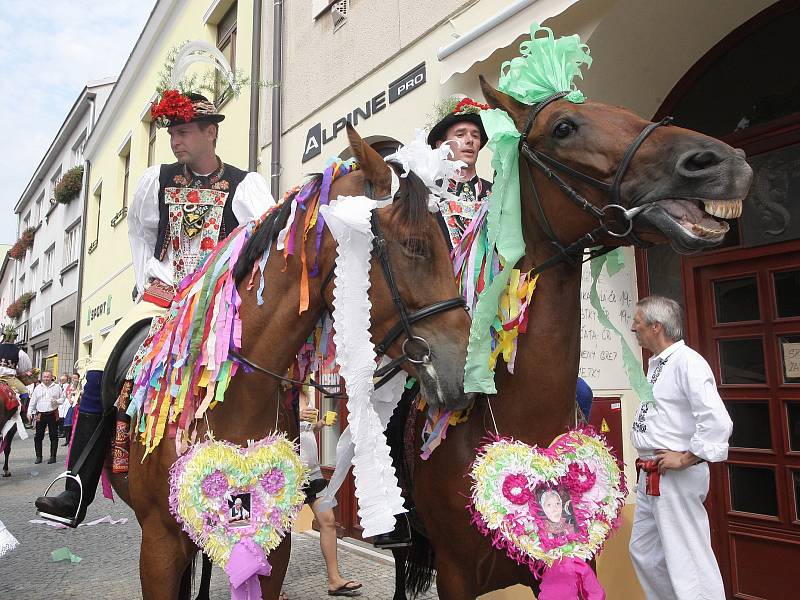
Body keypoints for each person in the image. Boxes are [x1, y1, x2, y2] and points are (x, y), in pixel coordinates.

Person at [35, 90, 273, 527]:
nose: (175, 141)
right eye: (172, 133)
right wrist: (151, 277)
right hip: (164, 294)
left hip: (219, 301)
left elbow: (268, 242)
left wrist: (230, 282)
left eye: (182, 132)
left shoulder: (245, 185)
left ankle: (295, 464)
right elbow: (140, 235)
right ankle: (78, 488)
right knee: (100, 367)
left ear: (211, 132)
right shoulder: (155, 180)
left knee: (270, 353)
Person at [628, 295, 732, 600]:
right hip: (652, 472)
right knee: (644, 551)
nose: (633, 328)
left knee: (687, 554)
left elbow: (717, 421)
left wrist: (688, 457)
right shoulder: (660, 364)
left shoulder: (688, 362)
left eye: (638, 322)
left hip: (674, 473)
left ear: (657, 326)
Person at [299, 397, 362, 597]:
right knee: (280, 532)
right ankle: (272, 587)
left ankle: (334, 580)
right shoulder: (283, 393)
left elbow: (305, 431)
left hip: (313, 473)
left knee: (329, 522)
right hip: (287, 473)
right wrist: (295, 416)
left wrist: (318, 425)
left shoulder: (304, 396)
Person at [426, 95, 493, 248]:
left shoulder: (496, 193)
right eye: (460, 134)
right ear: (441, 145)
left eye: (475, 135)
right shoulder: (429, 195)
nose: (470, 140)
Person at [29, 371, 65, 464]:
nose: (46, 378)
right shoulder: (38, 388)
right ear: (42, 377)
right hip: (41, 414)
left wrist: (57, 401)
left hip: (52, 413)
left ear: (51, 377)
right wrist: (30, 412)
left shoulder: (57, 387)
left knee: (53, 436)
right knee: (38, 436)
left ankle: (53, 456)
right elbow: (33, 401)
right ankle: (38, 456)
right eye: (44, 377)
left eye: (48, 377)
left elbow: (63, 398)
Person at [62, 374, 80, 446]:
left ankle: (72, 441)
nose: (74, 379)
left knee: (74, 424)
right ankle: (67, 440)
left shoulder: (79, 385)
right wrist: (69, 399)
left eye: (75, 378)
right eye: (73, 378)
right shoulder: (70, 386)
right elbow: (68, 394)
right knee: (68, 423)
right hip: (70, 405)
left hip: (76, 405)